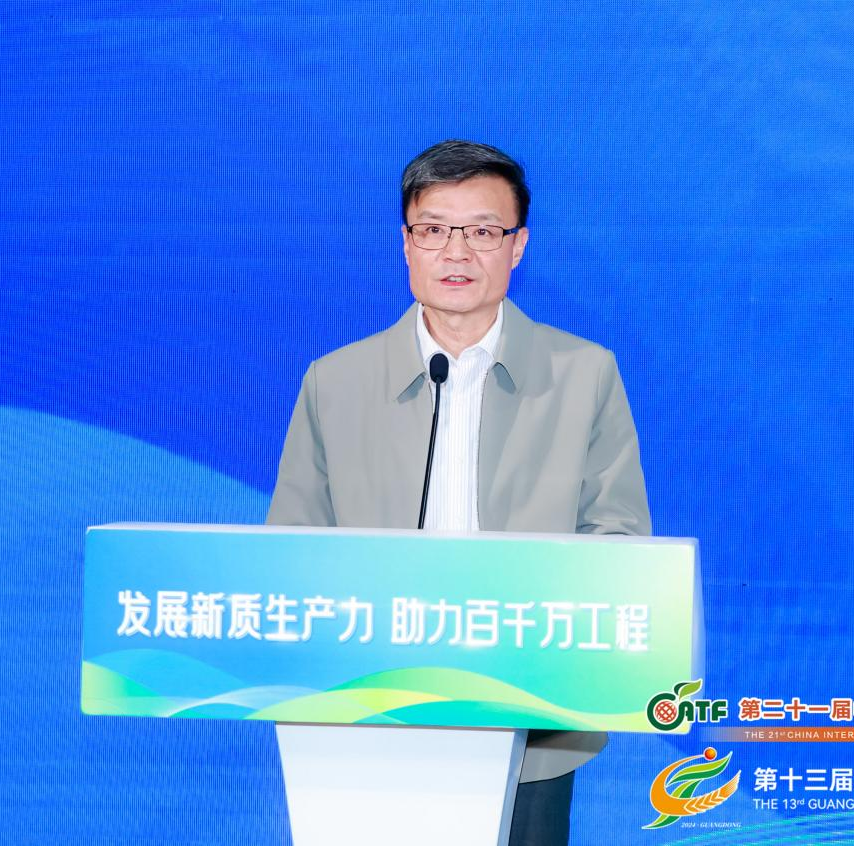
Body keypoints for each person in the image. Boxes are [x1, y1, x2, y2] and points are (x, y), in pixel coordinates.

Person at [268, 139, 650, 845]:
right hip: (367, 720)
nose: (456, 252)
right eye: (434, 229)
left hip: (526, 720)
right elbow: (288, 551)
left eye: (482, 231)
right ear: (406, 244)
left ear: (518, 246)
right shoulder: (336, 380)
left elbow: (618, 541)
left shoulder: (583, 373)